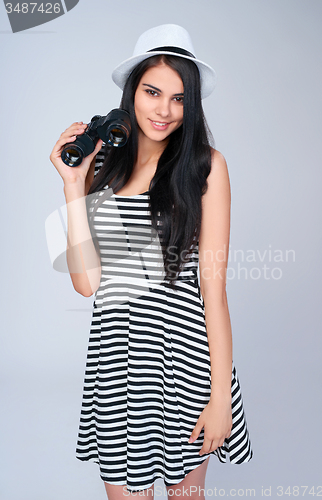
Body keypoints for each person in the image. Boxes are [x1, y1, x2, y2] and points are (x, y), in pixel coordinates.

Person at [50, 24, 253, 500]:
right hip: (119, 368)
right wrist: (72, 187)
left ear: (192, 104)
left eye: (179, 98)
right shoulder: (103, 167)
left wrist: (220, 398)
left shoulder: (207, 167)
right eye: (152, 92)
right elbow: (86, 283)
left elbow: (213, 293)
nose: (164, 110)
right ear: (132, 92)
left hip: (186, 367)